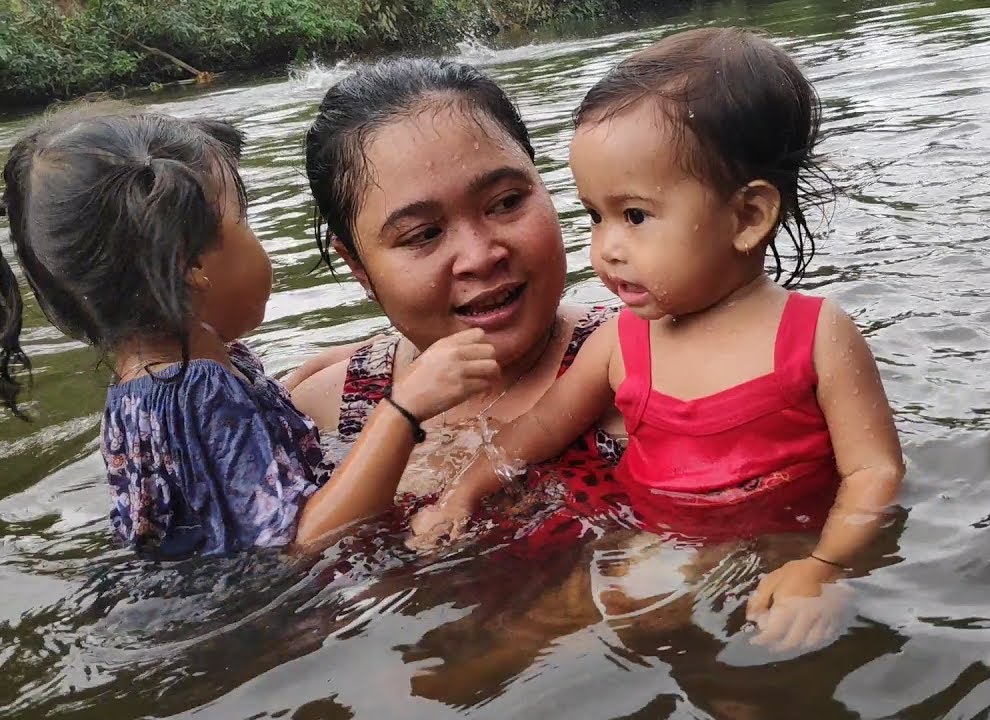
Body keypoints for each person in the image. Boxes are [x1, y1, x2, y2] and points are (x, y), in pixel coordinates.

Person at [410, 28, 906, 627]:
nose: (606, 247)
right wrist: (463, 491)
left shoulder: (816, 334)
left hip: (791, 550)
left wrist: (826, 566)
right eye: (595, 216)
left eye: (635, 215)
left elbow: (874, 471)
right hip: (660, 550)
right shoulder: (621, 342)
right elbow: (535, 431)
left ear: (748, 216)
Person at [0, 108, 500, 558]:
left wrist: (368, 353)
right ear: (191, 265)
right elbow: (302, 542)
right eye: (244, 222)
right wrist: (401, 410)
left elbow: (240, 455)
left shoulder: (163, 376)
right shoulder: (196, 391)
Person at [290, 57, 628, 542]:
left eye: (507, 202)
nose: (479, 256)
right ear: (358, 267)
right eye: (423, 234)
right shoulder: (322, 409)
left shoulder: (653, 364)